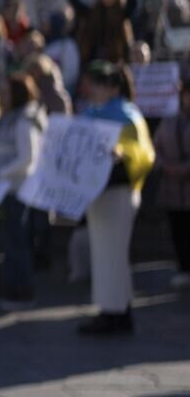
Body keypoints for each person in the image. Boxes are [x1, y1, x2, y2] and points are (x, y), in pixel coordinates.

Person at [79, 62, 155, 334]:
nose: (91, 89)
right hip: (97, 193)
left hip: (118, 192)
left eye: (97, 84)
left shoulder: (127, 114)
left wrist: (121, 154)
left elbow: (143, 154)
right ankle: (113, 309)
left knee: (113, 255)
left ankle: (116, 311)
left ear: (112, 87)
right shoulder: (90, 113)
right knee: (103, 255)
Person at [0, 73, 46, 309]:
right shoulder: (5, 118)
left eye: (6, 92)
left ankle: (22, 292)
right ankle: (7, 288)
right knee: (5, 242)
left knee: (17, 243)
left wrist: (1, 173)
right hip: (0, 190)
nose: (1, 96)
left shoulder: (25, 120)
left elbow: (27, 159)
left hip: (17, 190)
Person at [153, 80, 190, 290]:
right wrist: (164, 166)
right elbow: (155, 148)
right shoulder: (169, 121)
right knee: (178, 230)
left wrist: (183, 169)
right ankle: (184, 267)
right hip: (172, 190)